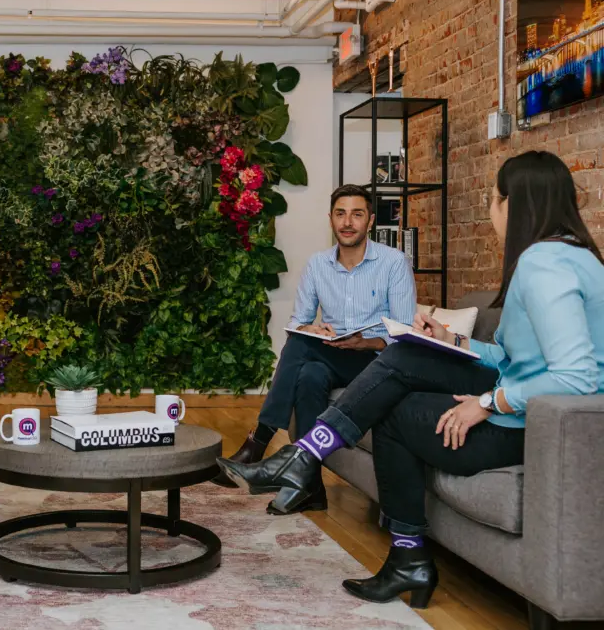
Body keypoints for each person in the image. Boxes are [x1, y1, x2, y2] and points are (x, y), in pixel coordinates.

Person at [218, 151, 604, 608]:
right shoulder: (565, 256)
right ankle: (314, 466)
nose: (489, 209)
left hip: (532, 428)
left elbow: (578, 377)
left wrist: (489, 403)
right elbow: (512, 357)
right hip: (527, 416)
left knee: (395, 406)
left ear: (515, 203)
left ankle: (318, 470)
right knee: (403, 362)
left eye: (493, 199)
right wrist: (452, 341)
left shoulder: (544, 264)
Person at [212, 184, 416, 515]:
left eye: (357, 214)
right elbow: (300, 322)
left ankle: (259, 442)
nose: (348, 222)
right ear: (330, 219)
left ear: (370, 221)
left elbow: (404, 333)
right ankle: (311, 489)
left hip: (375, 362)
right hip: (330, 355)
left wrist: (367, 341)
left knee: (303, 349)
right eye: (340, 214)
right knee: (309, 373)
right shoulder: (318, 265)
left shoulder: (393, 263)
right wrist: (313, 329)